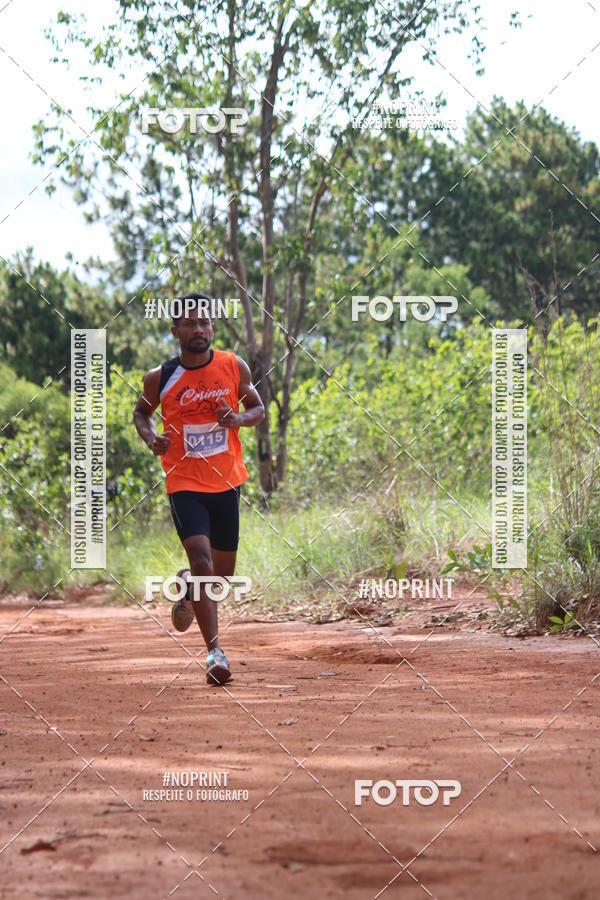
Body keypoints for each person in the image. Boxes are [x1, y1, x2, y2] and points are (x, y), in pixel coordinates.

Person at [133, 293, 265, 685]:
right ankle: (215, 653)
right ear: (175, 331)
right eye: (189, 324)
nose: (198, 329)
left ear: (213, 327)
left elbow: (258, 409)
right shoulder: (160, 377)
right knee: (203, 562)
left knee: (220, 577)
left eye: (204, 322)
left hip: (226, 481)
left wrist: (238, 418)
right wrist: (151, 437)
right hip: (184, 482)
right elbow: (142, 413)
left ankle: (190, 586)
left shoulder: (232, 365)